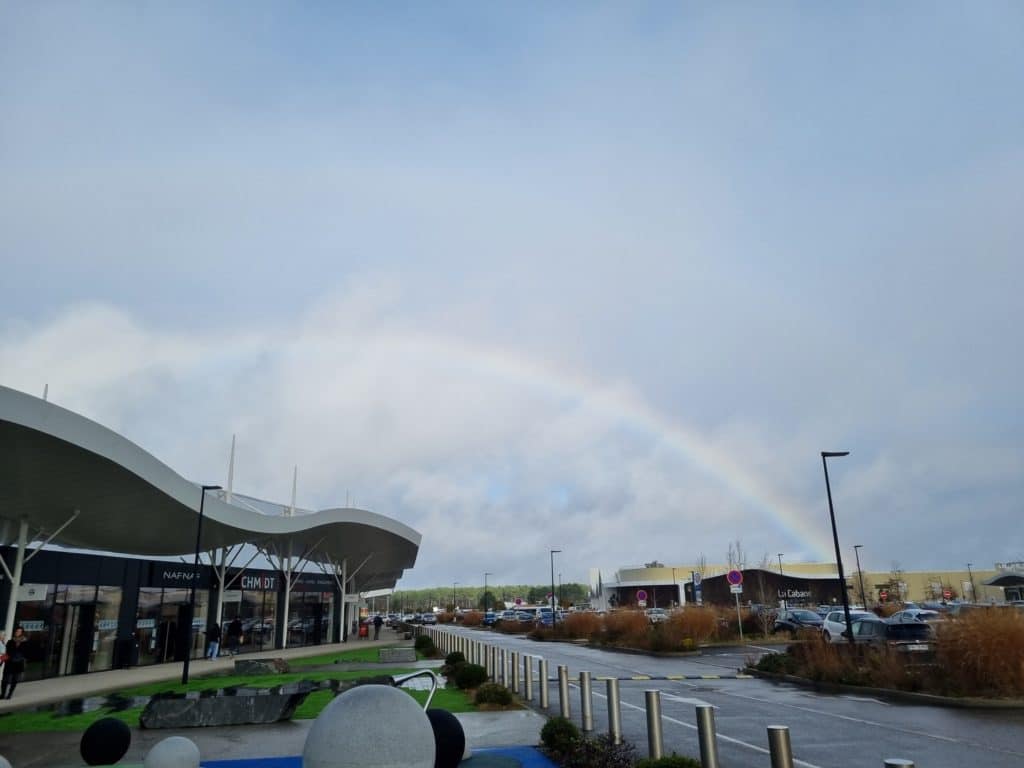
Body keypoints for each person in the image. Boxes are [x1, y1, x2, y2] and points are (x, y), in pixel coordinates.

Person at [1, 627, 27, 699]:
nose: (17, 632)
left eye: (19, 631)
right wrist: (1, 661)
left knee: (14, 680)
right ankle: (3, 694)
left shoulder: (25, 642)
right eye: (17, 631)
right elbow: (5, 653)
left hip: (18, 664)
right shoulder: (10, 641)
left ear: (22, 633)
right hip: (9, 663)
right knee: (5, 680)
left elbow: (26, 653)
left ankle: (10, 694)